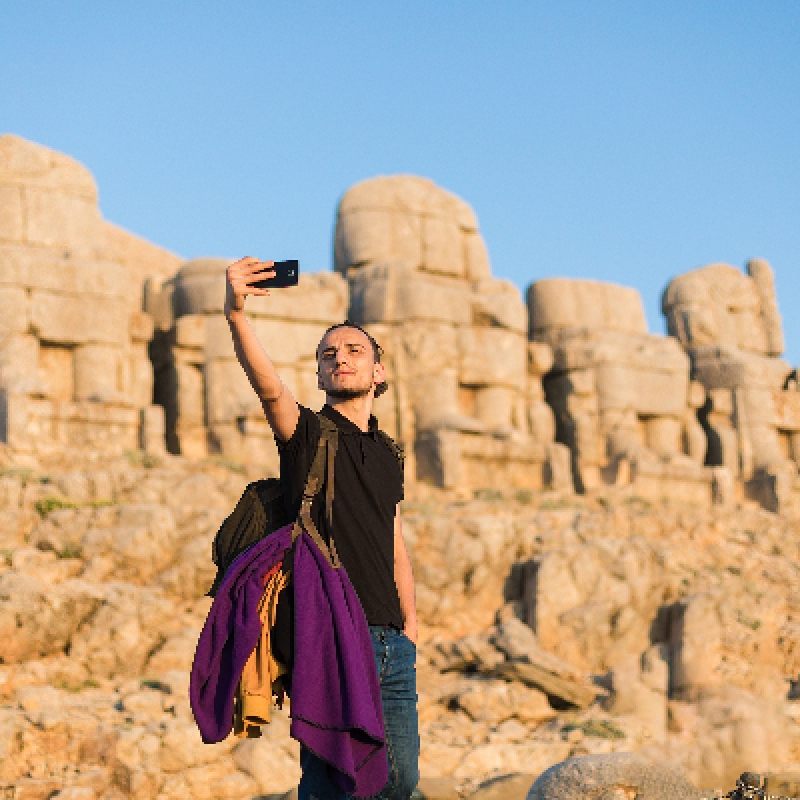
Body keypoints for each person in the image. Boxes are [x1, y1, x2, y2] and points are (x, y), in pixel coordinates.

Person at [224, 256, 420, 800]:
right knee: (333, 779)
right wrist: (237, 316)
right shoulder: (308, 435)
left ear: (379, 371)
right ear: (319, 375)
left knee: (401, 780)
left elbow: (393, 535)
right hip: (332, 630)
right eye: (328, 354)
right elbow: (267, 390)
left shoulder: (389, 453)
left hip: (392, 642)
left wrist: (410, 621)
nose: (341, 359)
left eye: (355, 350)